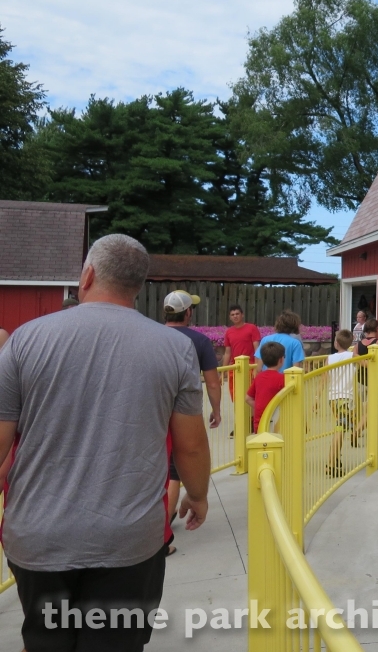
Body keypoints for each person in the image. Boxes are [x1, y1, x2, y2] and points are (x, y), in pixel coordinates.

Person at [0, 234, 210, 651]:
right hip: (129, 540)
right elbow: (191, 445)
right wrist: (198, 495)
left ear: (88, 274)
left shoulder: (24, 340)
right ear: (138, 286)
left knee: (45, 642)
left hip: (38, 535)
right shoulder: (175, 348)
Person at [164, 290, 222, 551]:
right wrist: (216, 410)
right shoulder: (199, 341)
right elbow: (212, 382)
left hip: (155, 409)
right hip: (184, 413)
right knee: (175, 473)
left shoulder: (153, 335)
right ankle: (160, 538)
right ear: (188, 312)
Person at [326, 330, 355, 475]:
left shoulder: (329, 358)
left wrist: (317, 399)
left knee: (341, 429)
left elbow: (324, 378)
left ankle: (336, 458)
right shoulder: (352, 356)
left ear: (336, 343)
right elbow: (367, 364)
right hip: (345, 399)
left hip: (332, 398)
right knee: (340, 431)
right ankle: (330, 464)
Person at [246, 341, 286, 432]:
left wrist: (261, 407)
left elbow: (248, 398)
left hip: (259, 422)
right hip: (275, 424)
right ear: (281, 360)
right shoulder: (283, 379)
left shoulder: (259, 377)